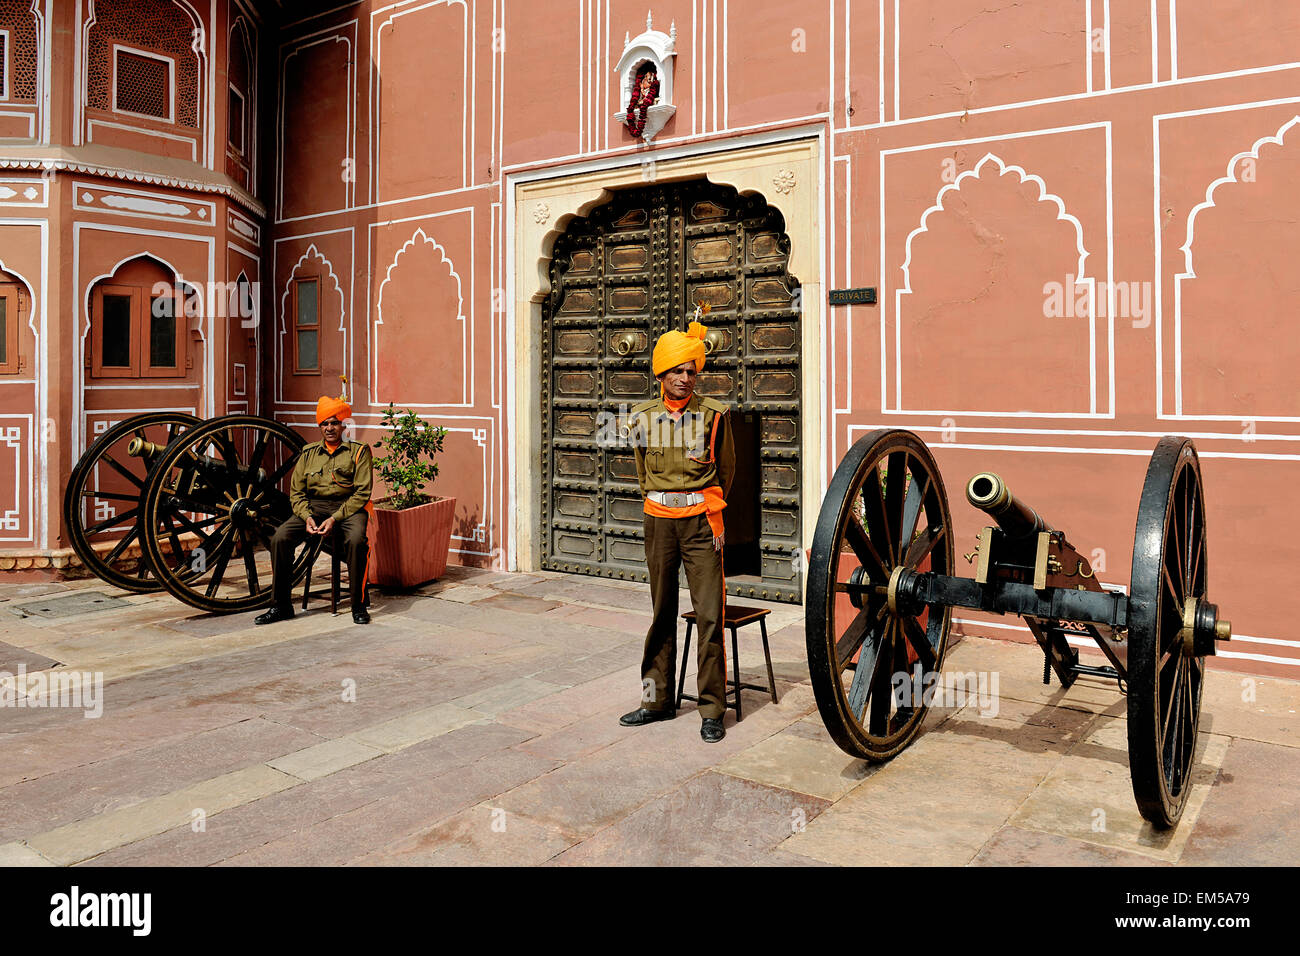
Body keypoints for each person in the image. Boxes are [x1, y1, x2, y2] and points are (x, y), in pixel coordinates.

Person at [619, 319, 735, 742]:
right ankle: (656, 701)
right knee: (660, 613)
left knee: (708, 615)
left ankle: (711, 710)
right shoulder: (640, 418)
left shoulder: (714, 416)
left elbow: (726, 472)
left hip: (702, 526)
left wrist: (712, 512)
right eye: (677, 371)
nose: (685, 378)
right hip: (659, 524)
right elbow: (641, 470)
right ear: (661, 374)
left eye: (691, 371)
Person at [254, 393, 373, 625]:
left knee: (357, 541)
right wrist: (306, 516)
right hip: (314, 507)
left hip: (349, 508)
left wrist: (335, 519)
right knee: (280, 538)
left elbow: (362, 493)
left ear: (343, 425)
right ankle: (281, 606)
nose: (329, 428)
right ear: (320, 426)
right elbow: (296, 493)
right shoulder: (308, 453)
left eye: (334, 423)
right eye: (324, 424)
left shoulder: (359, 451)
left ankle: (358, 606)